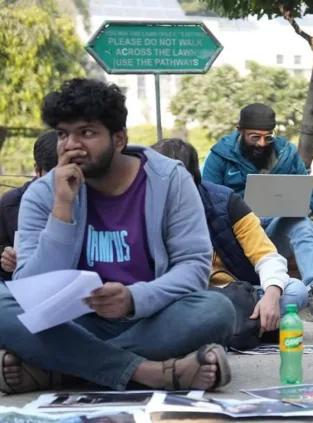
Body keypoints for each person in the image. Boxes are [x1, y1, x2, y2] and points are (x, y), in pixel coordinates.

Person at [0, 78, 235, 395]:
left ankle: (57, 370)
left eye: (87, 132)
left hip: (151, 316)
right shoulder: (44, 193)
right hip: (74, 322)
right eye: (62, 134)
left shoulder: (169, 179)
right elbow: (30, 288)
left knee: (216, 311)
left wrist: (133, 298)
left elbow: (193, 267)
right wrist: (62, 208)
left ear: (119, 139)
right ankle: (149, 372)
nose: (71, 145)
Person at [151, 138, 309, 335]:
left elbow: (266, 256)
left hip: (236, 293)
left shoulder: (226, 202)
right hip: (182, 298)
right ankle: (244, 328)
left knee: (296, 290)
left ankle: (223, 328)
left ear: (190, 177)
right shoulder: (144, 206)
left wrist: (271, 295)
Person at [201, 103, 313, 324]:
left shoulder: (287, 154)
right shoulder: (220, 156)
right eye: (254, 137)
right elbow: (207, 200)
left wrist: (297, 205)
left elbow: (311, 201)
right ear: (239, 130)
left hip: (273, 234)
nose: (262, 143)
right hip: (235, 241)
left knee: (301, 223)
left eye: (268, 137)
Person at [0, 131, 58, 281]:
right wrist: (6, 260)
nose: (63, 185)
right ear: (37, 170)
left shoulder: (89, 199)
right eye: (53, 179)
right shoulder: (10, 204)